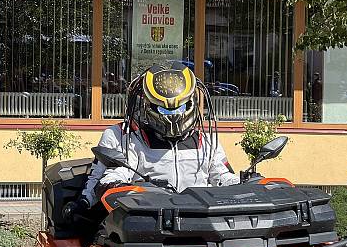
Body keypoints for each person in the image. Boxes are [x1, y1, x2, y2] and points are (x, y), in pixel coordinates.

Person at [63, 62, 239, 221]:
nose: (173, 116)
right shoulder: (131, 140)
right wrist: (114, 187)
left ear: (191, 102)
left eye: (180, 108)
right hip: (148, 220)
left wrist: (245, 184)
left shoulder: (206, 140)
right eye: (163, 109)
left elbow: (222, 176)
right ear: (147, 104)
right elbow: (115, 173)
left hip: (202, 220)